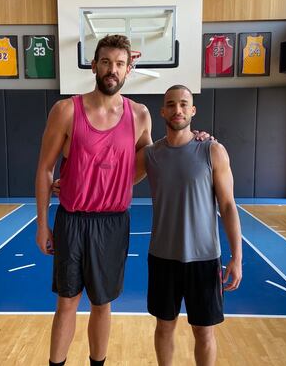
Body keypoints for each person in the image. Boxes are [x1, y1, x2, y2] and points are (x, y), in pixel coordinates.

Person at [36, 34, 210, 366]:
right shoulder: (65, 111)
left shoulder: (140, 115)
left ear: (129, 69)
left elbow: (153, 157)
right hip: (72, 220)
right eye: (105, 62)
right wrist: (42, 224)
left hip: (113, 222)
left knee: (102, 304)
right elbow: (44, 169)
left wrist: (195, 138)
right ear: (94, 65)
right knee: (67, 302)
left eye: (119, 64)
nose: (112, 70)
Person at [135, 85, 242, 366]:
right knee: (164, 327)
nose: (177, 110)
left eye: (184, 104)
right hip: (162, 258)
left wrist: (237, 258)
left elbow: (228, 206)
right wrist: (67, 183)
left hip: (204, 259)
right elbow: (112, 176)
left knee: (204, 331)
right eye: (171, 104)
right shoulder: (151, 155)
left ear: (193, 110)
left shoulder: (212, 151)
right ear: (162, 111)